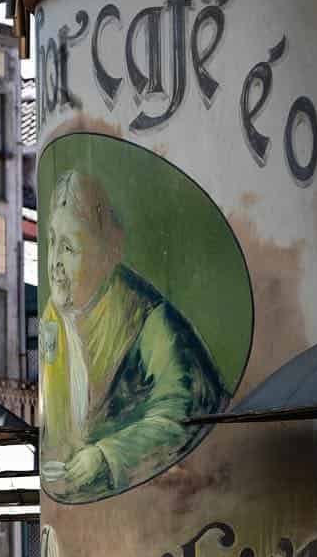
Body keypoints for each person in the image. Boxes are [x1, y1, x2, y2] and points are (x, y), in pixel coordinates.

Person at [39, 169, 227, 504]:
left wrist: (106, 455)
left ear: (105, 253)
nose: (54, 263)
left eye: (68, 247)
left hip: (180, 503)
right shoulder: (53, 318)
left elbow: (183, 415)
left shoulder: (150, 320)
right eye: (52, 241)